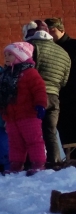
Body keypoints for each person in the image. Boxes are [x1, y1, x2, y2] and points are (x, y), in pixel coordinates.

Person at [0, 42, 48, 175]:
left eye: (10, 55)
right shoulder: (5, 76)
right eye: (5, 55)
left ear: (21, 56)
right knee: (15, 143)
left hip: (28, 115)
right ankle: (15, 165)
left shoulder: (30, 73)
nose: (6, 57)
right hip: (11, 118)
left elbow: (39, 90)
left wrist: (40, 105)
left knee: (33, 141)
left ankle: (38, 164)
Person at [24, 20, 71, 166]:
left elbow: (28, 72)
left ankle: (32, 162)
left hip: (35, 95)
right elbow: (64, 80)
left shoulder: (31, 47)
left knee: (31, 132)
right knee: (50, 132)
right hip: (54, 96)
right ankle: (54, 161)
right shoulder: (63, 52)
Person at [46, 17, 76, 159]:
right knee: (65, 130)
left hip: (71, 94)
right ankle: (71, 159)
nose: (49, 35)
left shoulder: (73, 46)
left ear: (60, 30)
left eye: (52, 31)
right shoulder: (48, 49)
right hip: (59, 96)